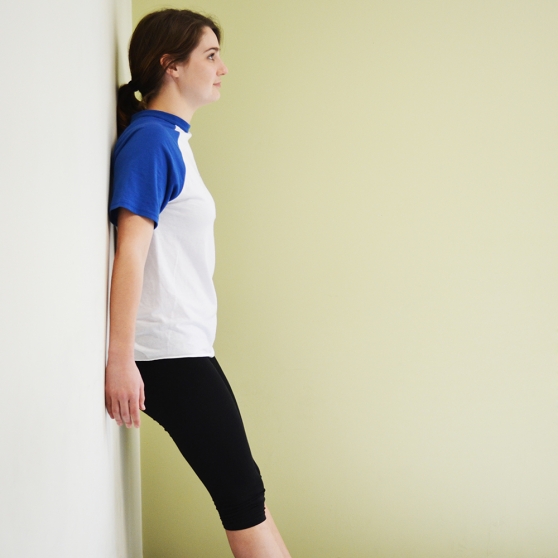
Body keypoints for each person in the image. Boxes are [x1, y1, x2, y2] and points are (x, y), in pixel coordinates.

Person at [105, 9, 291, 558]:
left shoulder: (170, 138)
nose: (222, 68)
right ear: (171, 65)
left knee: (247, 495)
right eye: (210, 56)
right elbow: (130, 252)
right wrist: (120, 359)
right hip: (165, 354)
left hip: (183, 347)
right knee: (242, 500)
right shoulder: (151, 141)